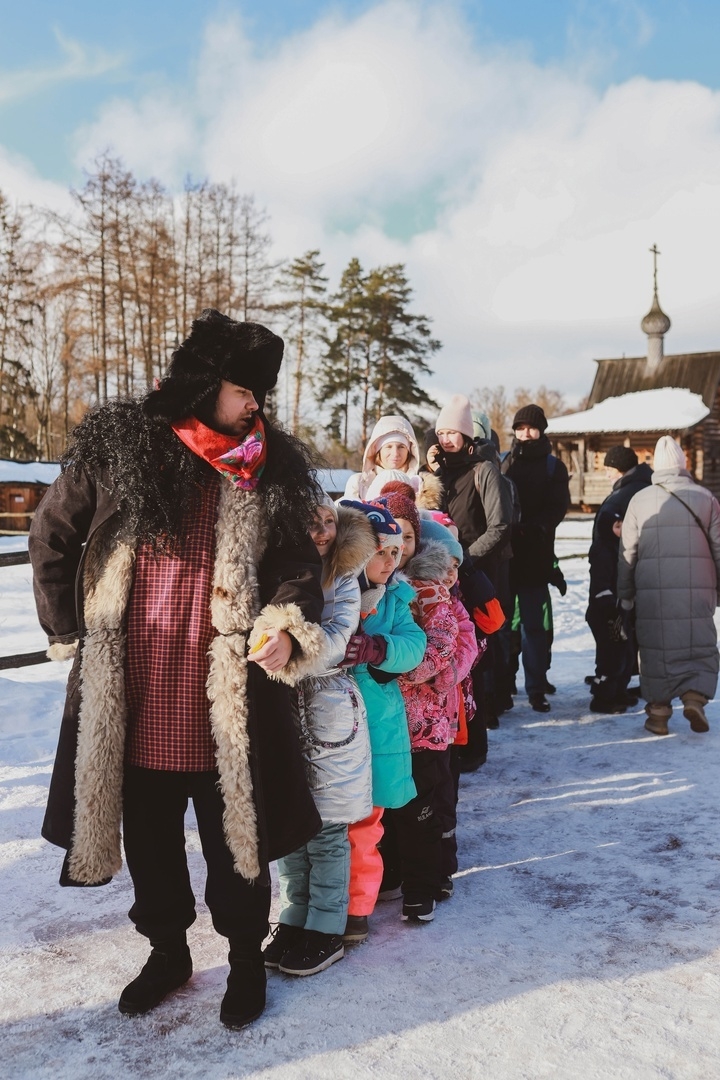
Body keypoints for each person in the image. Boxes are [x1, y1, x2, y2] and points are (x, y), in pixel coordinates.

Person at [28, 309, 327, 1029]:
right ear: (202, 382)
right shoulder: (122, 449)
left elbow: (294, 564)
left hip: (228, 701)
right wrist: (72, 631)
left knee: (238, 847)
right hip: (132, 700)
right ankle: (167, 953)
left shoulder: (271, 467)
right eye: (243, 388)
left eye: (261, 392)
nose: (255, 403)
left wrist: (284, 628)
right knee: (152, 846)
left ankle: (246, 960)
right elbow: (52, 534)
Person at [262, 497, 377, 976]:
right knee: (290, 824)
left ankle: (326, 928)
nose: (323, 530)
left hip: (329, 709)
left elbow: (336, 636)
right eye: (312, 521)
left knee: (327, 829)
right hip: (281, 705)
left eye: (330, 521)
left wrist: (288, 651)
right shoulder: (277, 568)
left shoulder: (344, 577)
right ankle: (293, 918)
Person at [377, 489, 478, 922]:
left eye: (407, 538)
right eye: (388, 540)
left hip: (423, 723)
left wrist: (397, 669)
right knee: (387, 805)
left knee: (423, 806)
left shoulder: (430, 591)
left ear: (419, 543)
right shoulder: (367, 589)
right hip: (381, 723)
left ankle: (423, 885)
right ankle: (392, 874)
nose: (398, 549)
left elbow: (444, 647)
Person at [337, 499, 427, 943]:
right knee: (324, 828)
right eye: (381, 551)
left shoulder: (396, 596)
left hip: (375, 730)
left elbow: (415, 644)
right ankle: (318, 907)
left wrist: (378, 649)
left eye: (396, 552)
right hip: (328, 732)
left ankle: (357, 908)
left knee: (364, 826)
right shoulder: (331, 592)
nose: (391, 561)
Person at [427, 393, 514, 758]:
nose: (447, 439)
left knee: (473, 660)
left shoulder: (484, 469)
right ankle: (447, 743)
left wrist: (462, 559)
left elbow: (500, 525)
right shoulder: (436, 474)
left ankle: (474, 745)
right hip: (440, 581)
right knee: (444, 661)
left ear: (467, 435)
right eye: (442, 432)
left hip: (476, 576)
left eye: (454, 432)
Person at [618, 435, 720, 736]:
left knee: (655, 647)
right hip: (698, 585)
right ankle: (694, 698)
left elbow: (627, 553)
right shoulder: (705, 498)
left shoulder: (639, 500)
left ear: (656, 467)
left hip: (651, 590)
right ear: (683, 464)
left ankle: (659, 714)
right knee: (697, 642)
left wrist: (624, 595)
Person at [501, 404, 570, 712]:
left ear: (542, 430)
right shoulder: (504, 462)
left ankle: (536, 688)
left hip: (536, 557)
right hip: (505, 557)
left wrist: (537, 527)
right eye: (519, 428)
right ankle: (503, 686)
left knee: (534, 629)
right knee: (503, 627)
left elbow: (558, 508)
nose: (524, 433)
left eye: (530, 427)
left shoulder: (554, 467)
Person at [587, 446, 653, 710]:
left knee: (614, 639)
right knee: (622, 638)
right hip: (629, 580)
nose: (606, 476)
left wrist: (602, 590)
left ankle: (609, 692)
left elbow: (604, 551)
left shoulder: (621, 498)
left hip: (613, 583)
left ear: (621, 470)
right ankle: (615, 687)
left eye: (609, 470)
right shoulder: (646, 489)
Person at [343, 414, 442, 508]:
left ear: (409, 451)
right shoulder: (359, 483)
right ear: (378, 451)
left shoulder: (421, 485)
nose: (395, 453)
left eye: (401, 447)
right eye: (388, 447)